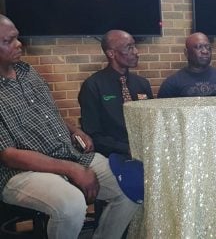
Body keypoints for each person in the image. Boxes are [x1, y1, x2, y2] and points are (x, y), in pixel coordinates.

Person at [0, 15, 138, 239]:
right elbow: (9, 155)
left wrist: (75, 130)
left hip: (68, 153)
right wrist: (72, 170)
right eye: (8, 41)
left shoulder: (27, 72)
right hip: (22, 172)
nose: (18, 44)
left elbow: (49, 113)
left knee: (132, 186)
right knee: (71, 205)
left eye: (17, 38)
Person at [78, 30, 153, 158]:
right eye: (129, 48)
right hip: (113, 154)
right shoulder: (93, 86)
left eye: (134, 46)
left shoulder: (142, 84)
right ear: (111, 53)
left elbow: (152, 122)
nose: (136, 52)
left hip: (147, 149)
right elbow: (93, 134)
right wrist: (127, 149)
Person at [157, 32, 216, 98]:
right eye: (199, 47)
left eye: (208, 47)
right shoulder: (172, 84)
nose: (205, 51)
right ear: (186, 53)